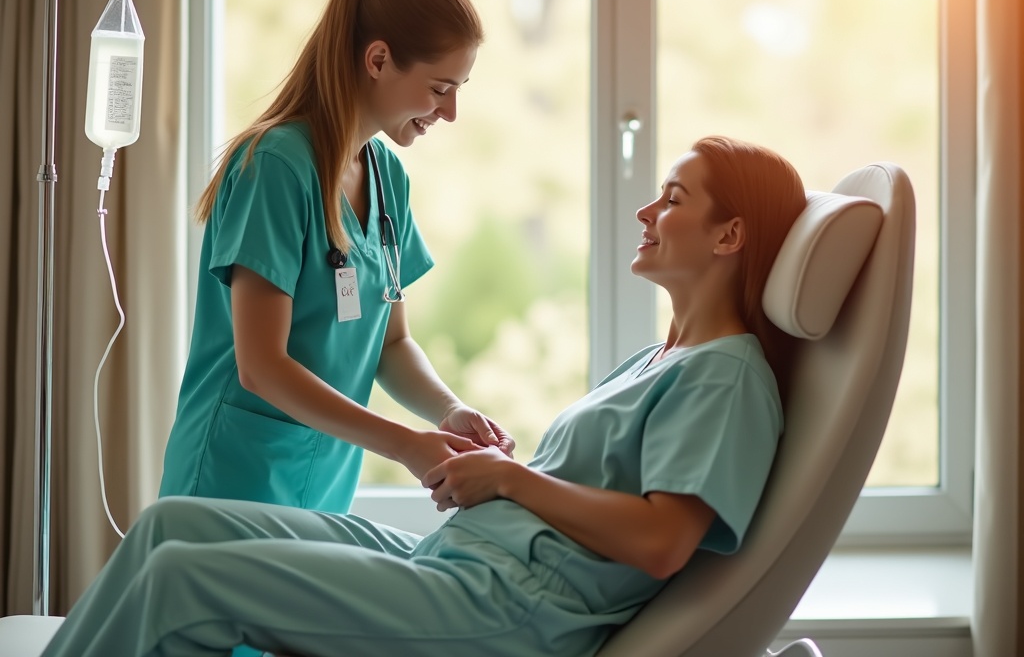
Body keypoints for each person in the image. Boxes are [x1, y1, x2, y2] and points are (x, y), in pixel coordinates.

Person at [43, 136, 807, 657]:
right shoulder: (660, 357)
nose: (647, 212)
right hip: (458, 560)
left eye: (672, 199)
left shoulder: (726, 374)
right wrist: (487, 467)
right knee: (173, 527)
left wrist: (510, 479)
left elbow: (662, 542)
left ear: (729, 236)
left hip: (507, 606)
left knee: (185, 581)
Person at [158, 0, 514, 515]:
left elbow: (391, 344)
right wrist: (404, 445)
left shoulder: (386, 176)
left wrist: (448, 411)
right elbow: (261, 365)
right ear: (378, 59)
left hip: (323, 486)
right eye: (441, 87)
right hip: (235, 480)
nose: (450, 112)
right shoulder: (274, 166)